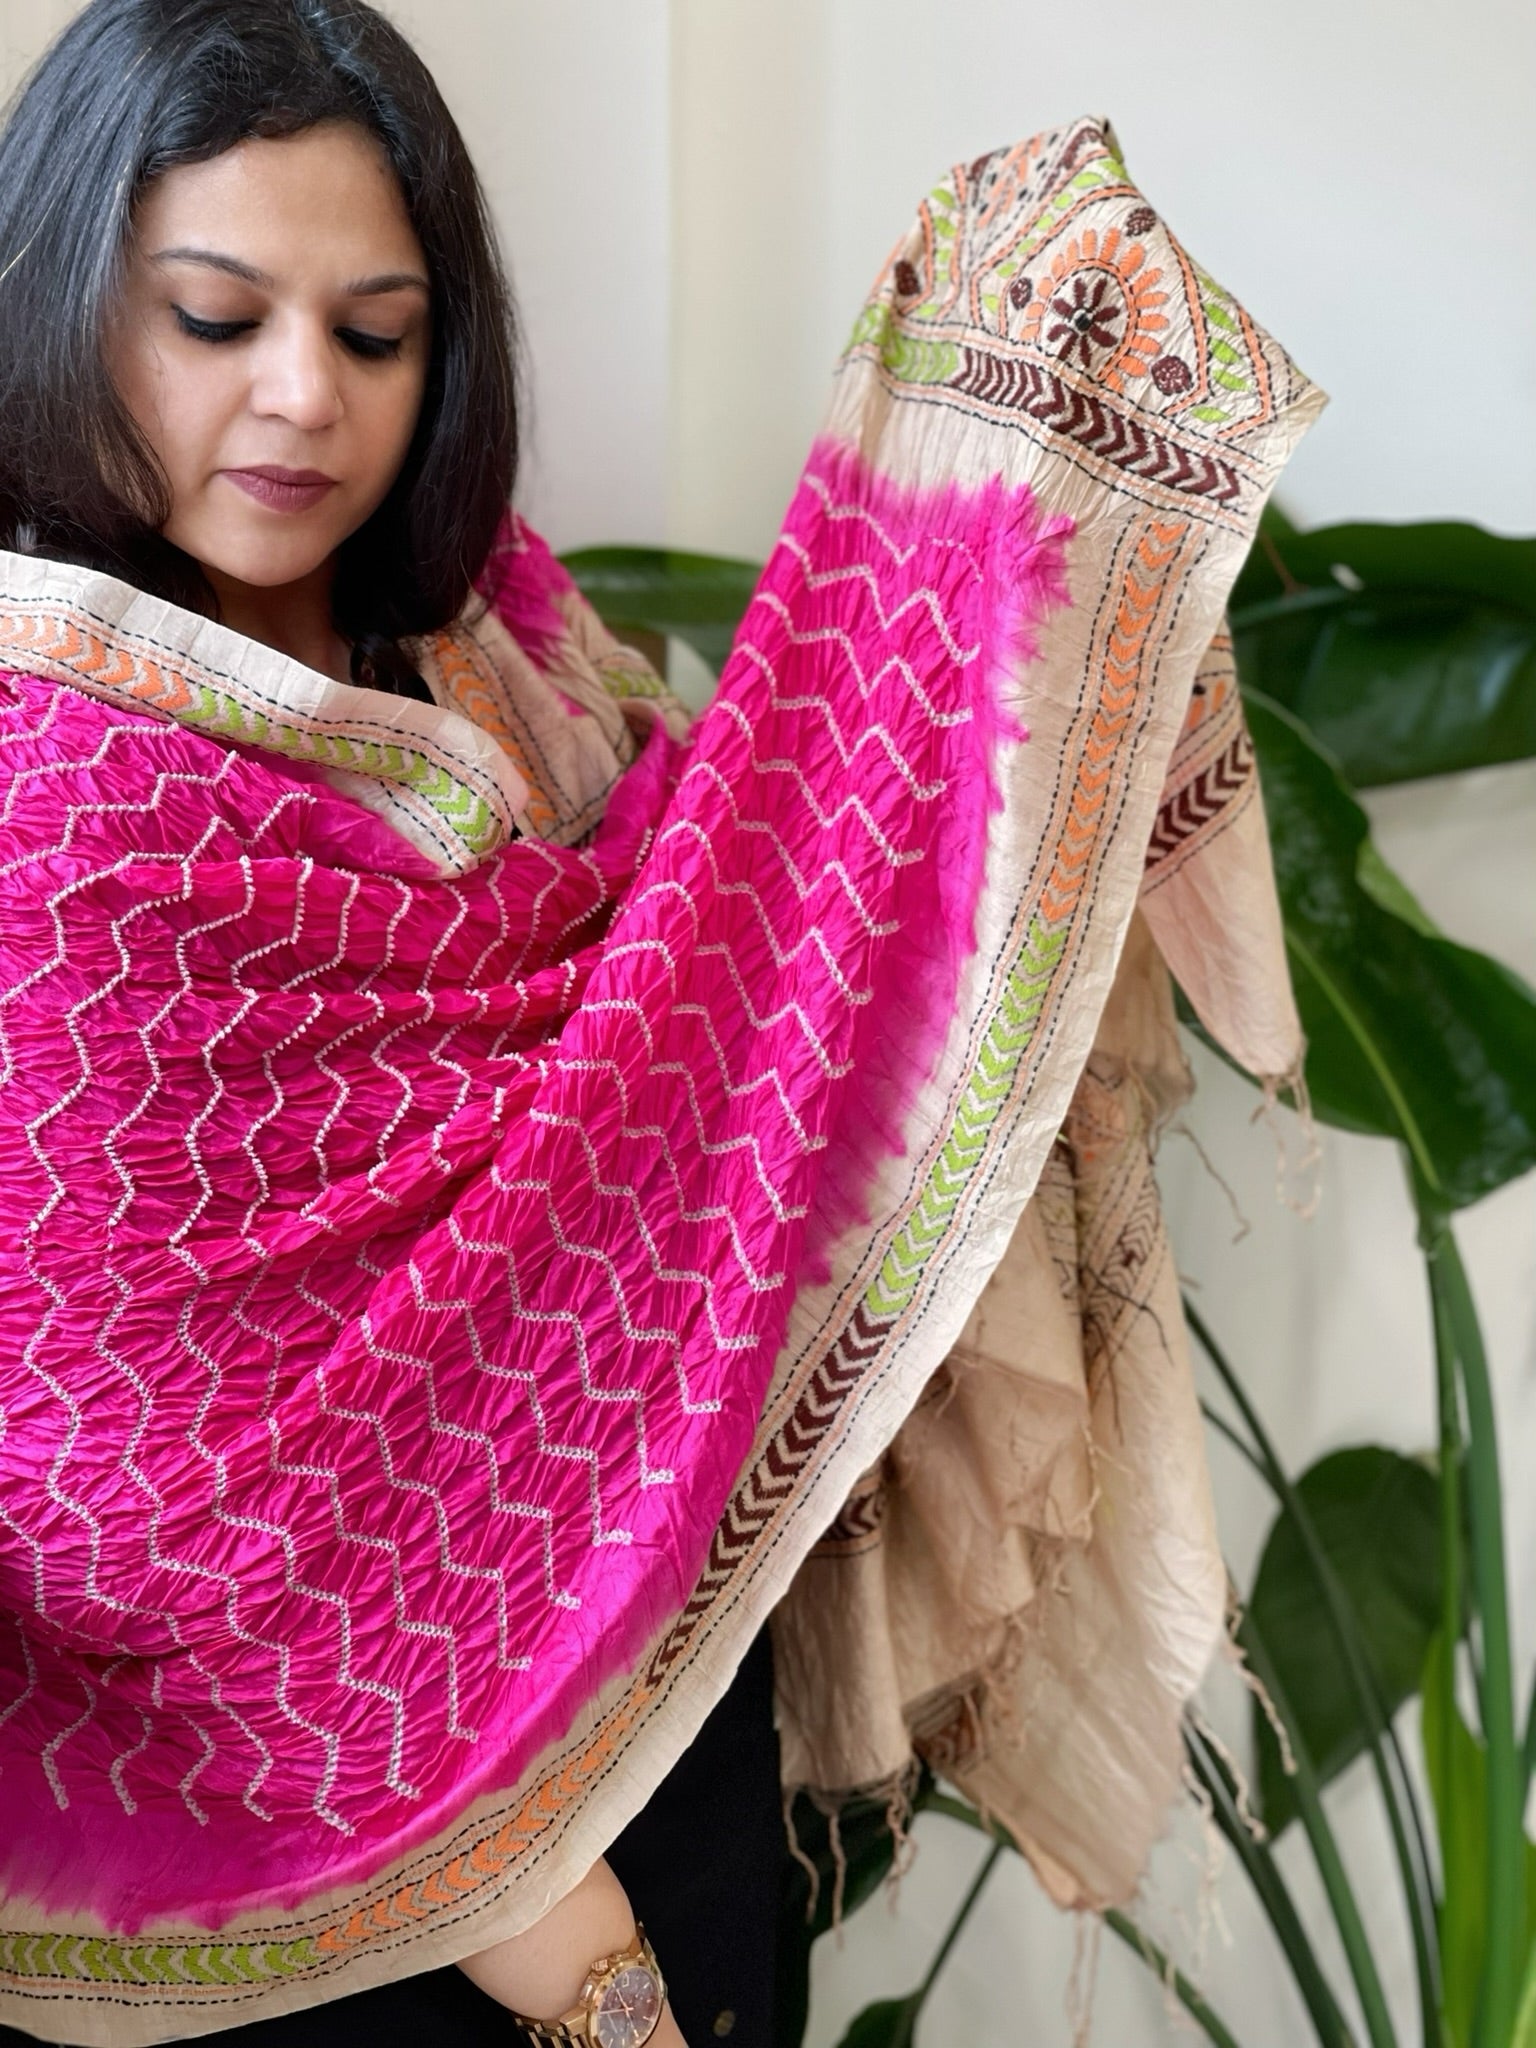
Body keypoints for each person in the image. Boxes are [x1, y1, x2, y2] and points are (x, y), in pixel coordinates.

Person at [0, 7, 1325, 2047]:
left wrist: (999, 513)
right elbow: (119, 1472)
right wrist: (553, 1929)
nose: (297, 398)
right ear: (63, 302)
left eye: (374, 332)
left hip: (649, 1702)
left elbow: (740, 962)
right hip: (304, 1875)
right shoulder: (52, 807)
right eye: (210, 314)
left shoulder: (497, 641)